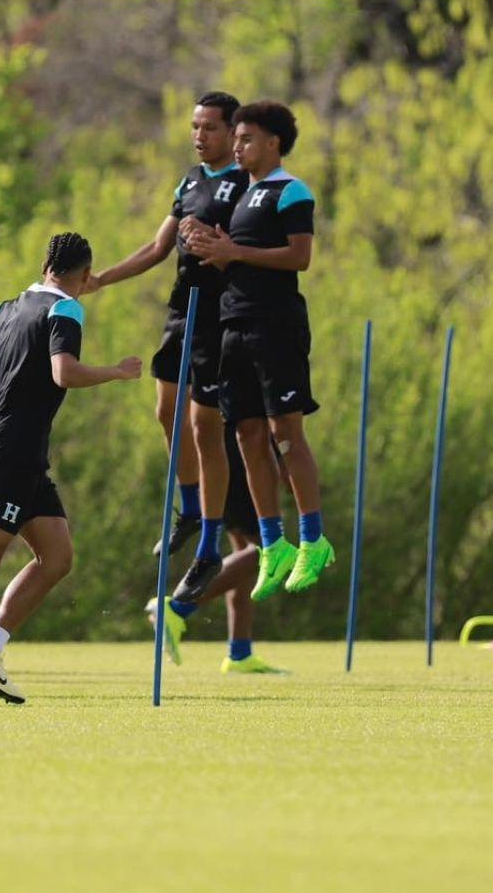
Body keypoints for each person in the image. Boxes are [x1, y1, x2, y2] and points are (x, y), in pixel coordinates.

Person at [91, 91, 250, 602]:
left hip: (219, 319)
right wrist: (103, 278)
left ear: (231, 132)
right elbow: (159, 248)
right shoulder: (189, 181)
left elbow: (249, 255)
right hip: (182, 312)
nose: (199, 136)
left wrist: (220, 246)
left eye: (210, 128)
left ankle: (208, 546)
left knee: (207, 432)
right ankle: (191, 511)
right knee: (166, 412)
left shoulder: (245, 184)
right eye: (195, 127)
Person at [184, 100, 333, 601]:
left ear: (272, 142)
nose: (239, 146)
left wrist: (234, 252)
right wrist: (209, 244)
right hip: (234, 324)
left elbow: (300, 256)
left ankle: (313, 539)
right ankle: (274, 545)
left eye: (246, 138)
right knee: (245, 434)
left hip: (276, 326)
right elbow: (236, 260)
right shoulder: (242, 196)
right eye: (238, 138)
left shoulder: (291, 190)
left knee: (284, 431)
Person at [0, 233, 142, 704]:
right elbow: (65, 372)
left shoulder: (5, 308)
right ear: (84, 274)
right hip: (10, 452)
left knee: (56, 557)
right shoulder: (66, 310)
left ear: (45, 265)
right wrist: (117, 371)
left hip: (25, 455)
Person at [149, 425, 287, 674]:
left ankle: (240, 652)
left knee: (243, 552)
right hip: (242, 452)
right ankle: (177, 608)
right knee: (268, 550)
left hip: (227, 450)